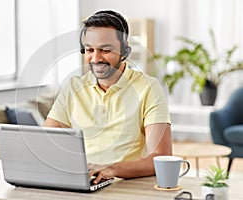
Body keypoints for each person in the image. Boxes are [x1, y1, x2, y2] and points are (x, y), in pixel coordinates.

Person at [44, 10, 172, 184]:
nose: (96, 58)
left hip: (126, 185)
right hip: (84, 183)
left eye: (105, 50)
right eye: (89, 50)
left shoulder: (148, 88)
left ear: (125, 50)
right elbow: (47, 142)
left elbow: (160, 158)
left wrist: (112, 169)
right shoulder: (73, 87)